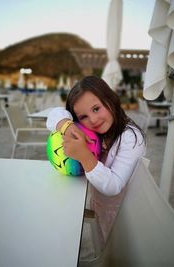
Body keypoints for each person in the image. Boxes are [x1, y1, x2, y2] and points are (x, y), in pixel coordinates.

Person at [46, 75, 146, 253]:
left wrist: (85, 156)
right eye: (83, 116)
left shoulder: (130, 137)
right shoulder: (97, 130)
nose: (92, 120)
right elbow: (54, 114)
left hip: (121, 217)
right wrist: (66, 126)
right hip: (100, 206)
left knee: (115, 255)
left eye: (96, 108)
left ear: (111, 99)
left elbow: (114, 185)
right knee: (100, 247)